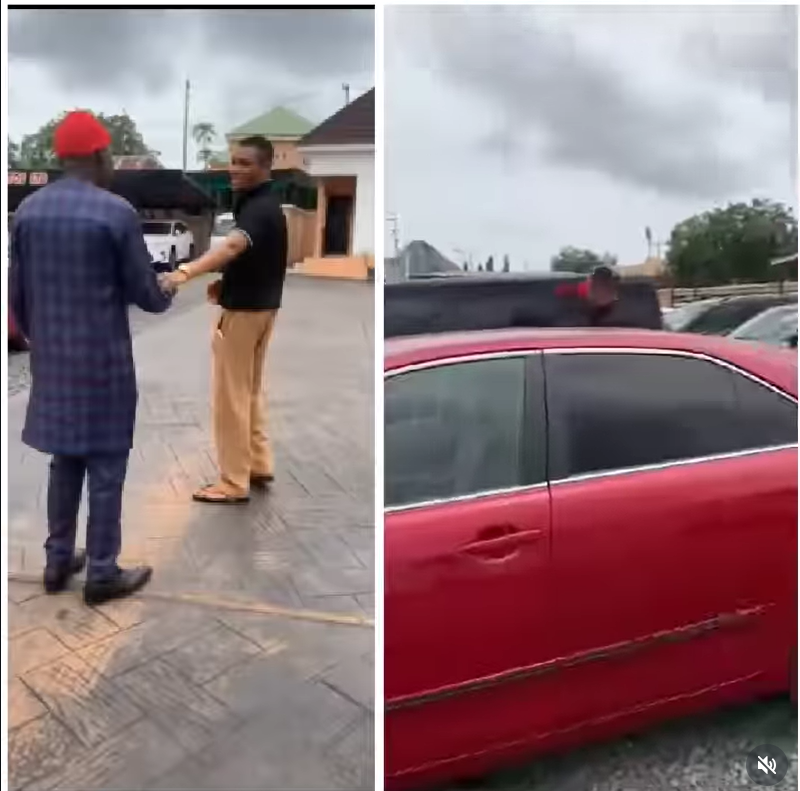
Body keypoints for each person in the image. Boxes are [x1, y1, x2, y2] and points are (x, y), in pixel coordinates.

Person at [10, 111, 175, 604]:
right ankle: (102, 571)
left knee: (64, 462)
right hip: (104, 367)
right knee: (106, 467)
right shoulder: (116, 212)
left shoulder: (28, 212)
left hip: (53, 365)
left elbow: (16, 298)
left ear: (63, 158)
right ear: (101, 155)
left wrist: (44, 342)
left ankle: (57, 560)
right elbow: (147, 294)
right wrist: (168, 285)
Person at [165, 135, 288, 504]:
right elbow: (257, 256)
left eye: (245, 163)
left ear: (265, 167)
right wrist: (227, 281)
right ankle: (258, 463)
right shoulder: (265, 204)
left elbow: (233, 245)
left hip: (244, 313)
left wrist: (183, 273)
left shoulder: (258, 209)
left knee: (231, 397)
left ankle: (233, 481)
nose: (235, 169)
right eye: (233, 161)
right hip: (263, 308)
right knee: (249, 390)